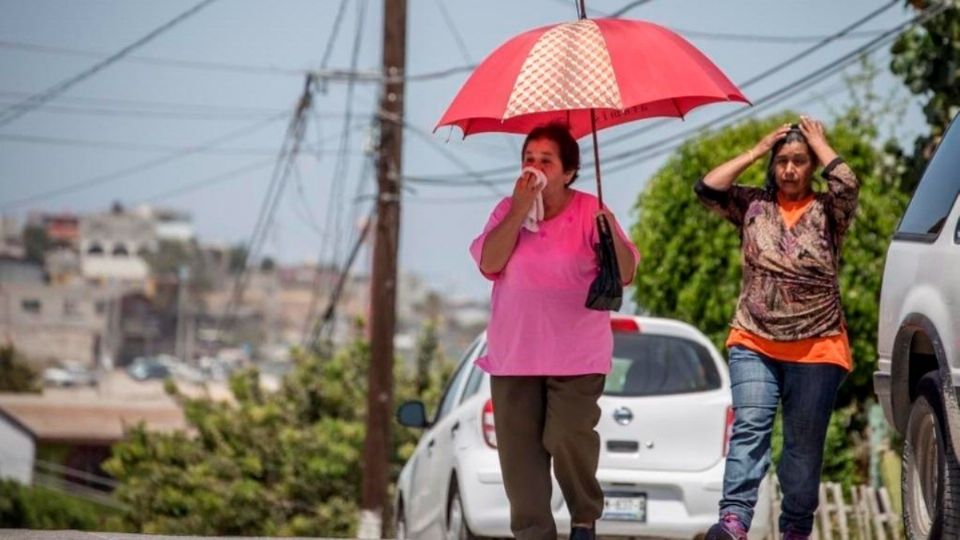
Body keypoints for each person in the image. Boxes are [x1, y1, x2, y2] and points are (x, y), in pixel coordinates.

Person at [469, 122, 640, 540]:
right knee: (521, 465)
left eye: (546, 160)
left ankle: (584, 515)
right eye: (529, 159)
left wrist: (608, 225)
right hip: (514, 358)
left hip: (576, 358)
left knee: (566, 435)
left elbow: (627, 272)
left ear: (568, 172)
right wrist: (516, 210)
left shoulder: (589, 209)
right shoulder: (505, 211)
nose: (535, 167)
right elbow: (490, 263)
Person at [695, 116, 860, 540]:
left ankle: (795, 529)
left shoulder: (829, 211)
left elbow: (847, 185)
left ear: (811, 166)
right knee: (750, 428)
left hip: (817, 347)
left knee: (802, 451)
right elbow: (708, 188)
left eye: (799, 161)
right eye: (782, 161)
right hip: (753, 340)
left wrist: (820, 143)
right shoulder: (754, 206)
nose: (789, 169)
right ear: (772, 166)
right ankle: (733, 522)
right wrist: (756, 149)